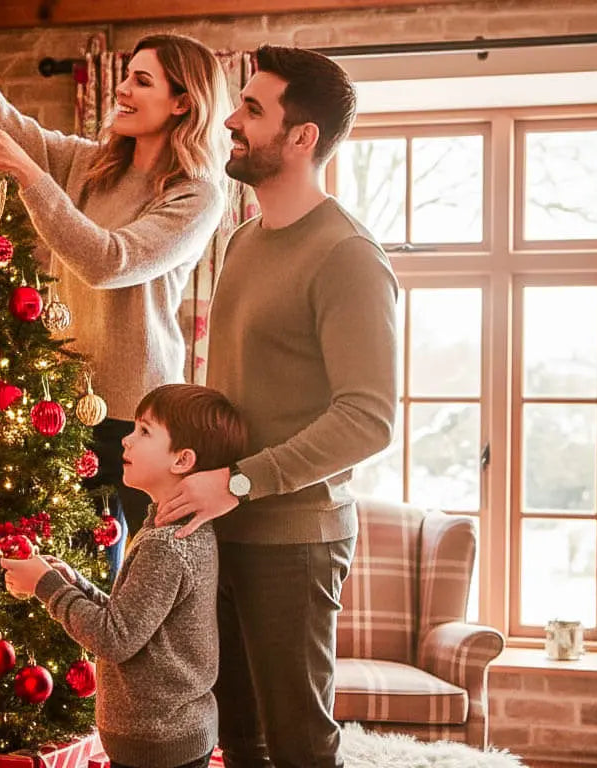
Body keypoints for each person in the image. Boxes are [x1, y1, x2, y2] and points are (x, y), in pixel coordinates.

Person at [152, 45, 400, 768]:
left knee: (298, 745)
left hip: (295, 538)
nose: (230, 118)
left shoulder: (348, 254)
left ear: (302, 138)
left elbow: (370, 417)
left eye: (253, 109)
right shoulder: (242, 241)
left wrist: (237, 482)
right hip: (219, 523)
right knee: (236, 738)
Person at [0, 34, 232, 574]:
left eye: (142, 81)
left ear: (182, 103)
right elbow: (13, 126)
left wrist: (30, 177)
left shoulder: (196, 194)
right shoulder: (92, 165)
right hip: (56, 400)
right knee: (51, 573)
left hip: (136, 416)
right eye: (125, 76)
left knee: (114, 575)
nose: (122, 89)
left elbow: (109, 261)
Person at [1, 384, 247, 768]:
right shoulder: (166, 530)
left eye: (144, 432)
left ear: (182, 460)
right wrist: (70, 581)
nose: (126, 441)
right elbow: (130, 617)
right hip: (164, 738)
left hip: (159, 745)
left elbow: (114, 638)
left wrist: (44, 586)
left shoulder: (168, 545)